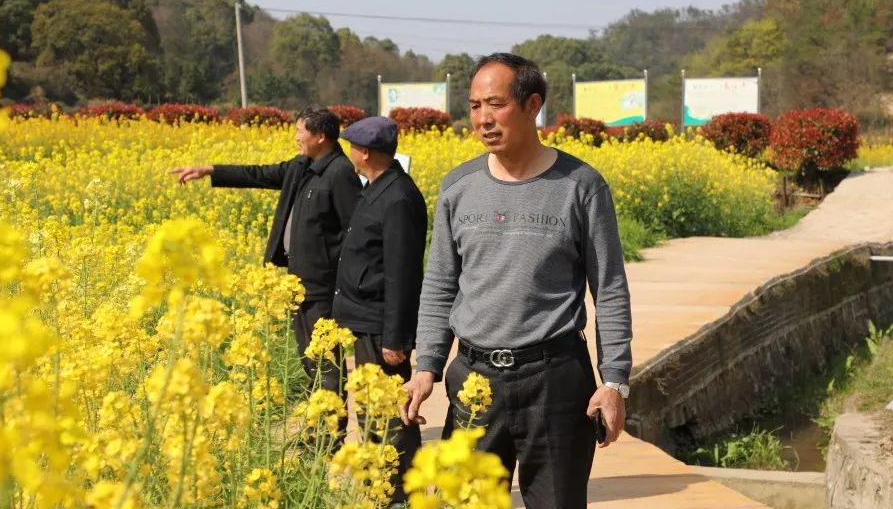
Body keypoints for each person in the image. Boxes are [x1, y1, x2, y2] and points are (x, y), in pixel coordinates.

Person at [399, 53, 633, 509]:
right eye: (474, 106)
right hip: (473, 380)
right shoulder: (458, 186)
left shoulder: (581, 186)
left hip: (556, 379)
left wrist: (615, 381)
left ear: (532, 106)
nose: (483, 119)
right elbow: (441, 282)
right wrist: (426, 365)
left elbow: (609, 288)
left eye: (496, 104)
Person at [168, 105, 361, 394]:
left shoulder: (340, 172)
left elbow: (354, 231)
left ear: (320, 136)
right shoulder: (301, 166)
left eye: (300, 131)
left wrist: (342, 282)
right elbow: (258, 174)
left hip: (322, 287)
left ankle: (330, 434)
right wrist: (209, 170)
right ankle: (317, 430)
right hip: (299, 282)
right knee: (310, 359)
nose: (295, 136)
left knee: (325, 361)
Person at [333, 115, 426, 503]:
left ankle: (402, 491)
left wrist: (396, 337)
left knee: (390, 414)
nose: (349, 152)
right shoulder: (377, 187)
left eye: (352, 145)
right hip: (365, 320)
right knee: (372, 412)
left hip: (379, 326)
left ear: (365, 152)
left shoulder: (398, 196)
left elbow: (402, 274)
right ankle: (380, 487)